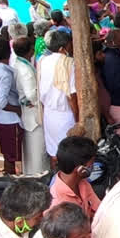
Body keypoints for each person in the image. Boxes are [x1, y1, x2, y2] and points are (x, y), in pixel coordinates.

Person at [38, 30, 78, 165]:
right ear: (63, 47)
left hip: (49, 113)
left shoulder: (43, 60)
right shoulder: (68, 63)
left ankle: (54, 180)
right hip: (65, 115)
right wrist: (78, 118)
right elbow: (71, 95)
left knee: (53, 152)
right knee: (68, 154)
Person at [11, 38, 49, 174]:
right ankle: (38, 178)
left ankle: (31, 175)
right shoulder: (25, 70)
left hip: (28, 114)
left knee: (30, 152)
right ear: (30, 50)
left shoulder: (18, 64)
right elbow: (31, 94)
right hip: (33, 116)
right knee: (37, 152)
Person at [0, 39, 23, 174]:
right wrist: (17, 109)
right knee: (12, 154)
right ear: (9, 52)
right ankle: (11, 178)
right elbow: (1, 102)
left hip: (1, 118)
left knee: (8, 153)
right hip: (11, 119)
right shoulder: (6, 74)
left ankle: (10, 174)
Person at [51, 136, 101, 220]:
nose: (93, 166)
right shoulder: (58, 204)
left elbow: (98, 209)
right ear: (80, 169)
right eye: (91, 163)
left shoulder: (82, 182)